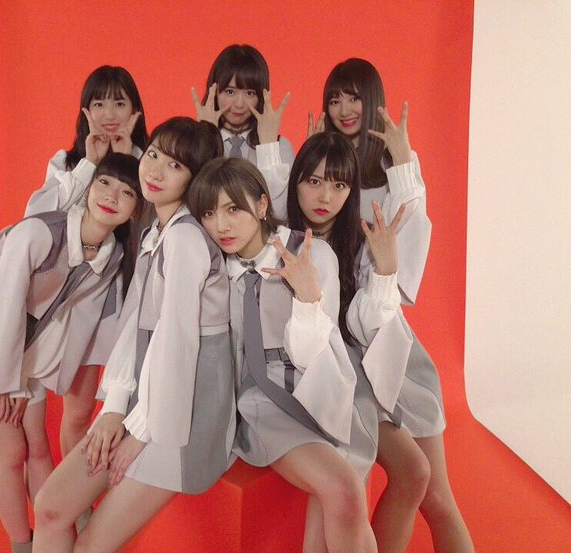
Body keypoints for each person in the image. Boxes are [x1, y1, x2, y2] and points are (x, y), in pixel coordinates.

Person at [0, 153, 142, 553]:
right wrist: (5, 384)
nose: (112, 196)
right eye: (105, 183)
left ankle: (49, 538)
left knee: (38, 445)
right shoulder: (39, 234)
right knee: (11, 451)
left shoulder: (110, 258)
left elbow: (69, 323)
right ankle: (21, 544)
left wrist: (30, 378)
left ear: (135, 211)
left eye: (127, 193)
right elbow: (3, 310)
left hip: (25, 350)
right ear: (88, 188)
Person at [31, 117, 232, 553]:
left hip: (185, 415)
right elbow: (133, 329)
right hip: (148, 397)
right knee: (50, 508)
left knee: (90, 545)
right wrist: (114, 408)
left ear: (196, 178)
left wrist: (137, 430)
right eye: (154, 154)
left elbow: (178, 346)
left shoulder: (186, 241)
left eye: (175, 166)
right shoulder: (156, 231)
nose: (155, 170)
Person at [313, 58, 475, 553]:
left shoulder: (398, 175)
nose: (344, 109)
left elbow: (403, 275)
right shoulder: (323, 171)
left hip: (389, 344)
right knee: (369, 484)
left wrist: (404, 165)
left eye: (354, 97)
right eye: (335, 98)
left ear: (373, 101)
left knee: (435, 494)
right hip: (342, 352)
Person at [188, 157, 380, 553]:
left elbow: (317, 355)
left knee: (333, 508)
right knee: (343, 490)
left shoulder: (311, 253)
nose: (221, 225)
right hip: (263, 401)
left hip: (322, 387)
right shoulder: (212, 268)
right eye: (208, 214)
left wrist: (308, 300)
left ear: (262, 205)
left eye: (233, 209)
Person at [25, 65, 148, 457]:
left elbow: (153, 231)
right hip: (67, 300)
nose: (109, 114)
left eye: (119, 103)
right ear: (85, 111)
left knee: (99, 408)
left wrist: (127, 164)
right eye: (99, 104)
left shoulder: (150, 164)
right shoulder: (67, 163)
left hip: (118, 300)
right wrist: (91, 166)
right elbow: (37, 219)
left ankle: (87, 484)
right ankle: (65, 489)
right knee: (65, 411)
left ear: (135, 112)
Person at [191, 44, 293, 219]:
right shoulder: (191, 142)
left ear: (262, 96)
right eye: (230, 91)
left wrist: (268, 147)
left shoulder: (280, 147)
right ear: (214, 91)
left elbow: (277, 213)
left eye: (250, 93)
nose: (239, 104)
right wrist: (206, 138)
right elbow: (194, 205)